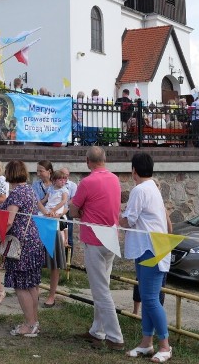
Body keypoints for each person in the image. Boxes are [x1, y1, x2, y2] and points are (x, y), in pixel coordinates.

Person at [70, 146, 125, 351]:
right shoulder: (114, 179)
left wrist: (82, 210)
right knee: (103, 285)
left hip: (94, 239)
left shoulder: (87, 182)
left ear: (87, 161)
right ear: (104, 159)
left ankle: (115, 337)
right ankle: (97, 331)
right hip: (110, 238)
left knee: (100, 290)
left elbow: (73, 210)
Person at [121, 152, 173, 362]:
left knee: (150, 299)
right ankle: (146, 343)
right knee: (147, 297)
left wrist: (115, 217)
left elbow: (129, 220)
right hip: (148, 248)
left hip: (151, 249)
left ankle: (165, 346)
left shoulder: (140, 189)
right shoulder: (152, 187)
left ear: (134, 171)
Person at [0, 159, 44, 337]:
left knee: (21, 285)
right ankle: (34, 322)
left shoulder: (16, 194)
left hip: (21, 244)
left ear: (10, 173)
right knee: (32, 284)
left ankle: (29, 324)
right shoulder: (30, 190)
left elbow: (9, 220)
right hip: (34, 240)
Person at [38, 168, 69, 308]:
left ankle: (52, 294)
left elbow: (64, 204)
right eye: (61, 179)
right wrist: (41, 206)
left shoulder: (65, 190)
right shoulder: (50, 189)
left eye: (65, 179)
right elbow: (43, 200)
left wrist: (54, 211)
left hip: (54, 220)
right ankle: (35, 289)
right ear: (55, 180)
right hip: (45, 217)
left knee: (54, 261)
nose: (63, 181)